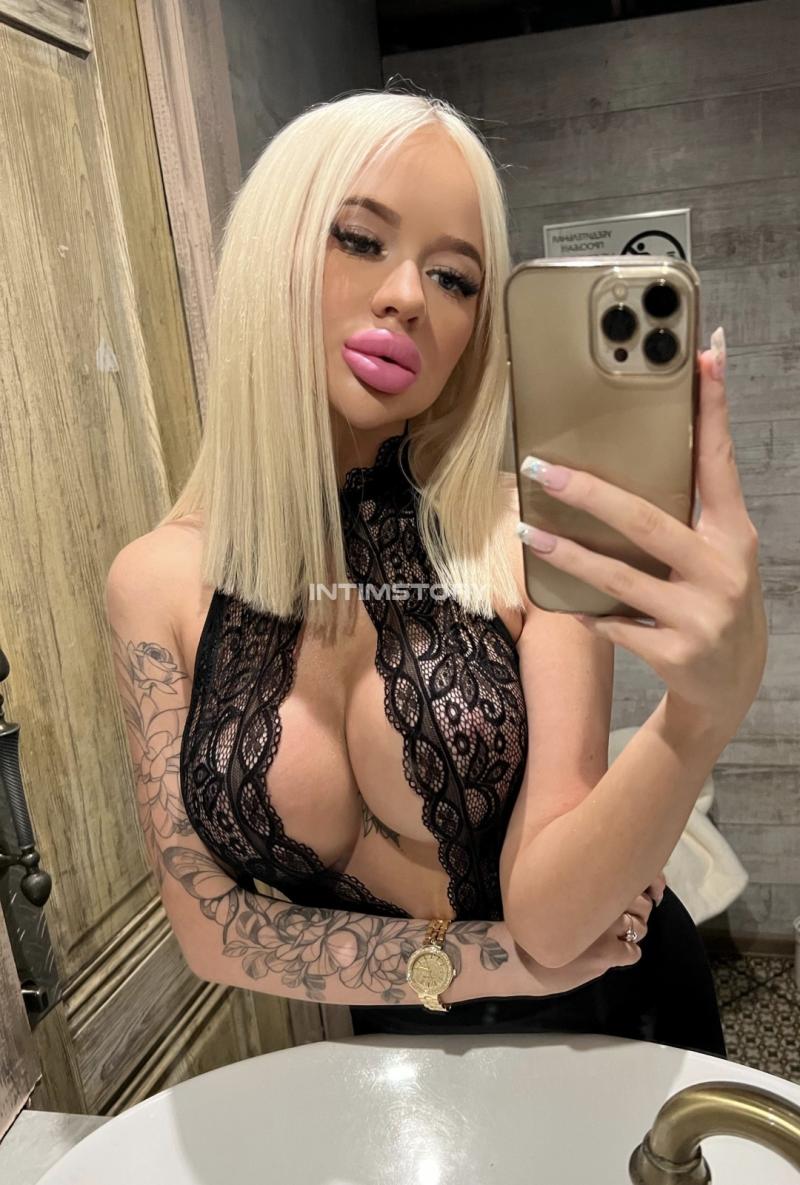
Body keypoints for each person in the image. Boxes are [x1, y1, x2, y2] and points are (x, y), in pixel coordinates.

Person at [105, 88, 767, 1056]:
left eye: (455, 278)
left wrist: (697, 717)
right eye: (359, 239)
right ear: (271, 251)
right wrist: (488, 963)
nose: (409, 296)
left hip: (610, 1020)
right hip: (391, 1046)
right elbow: (209, 929)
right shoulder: (152, 583)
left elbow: (556, 921)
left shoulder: (527, 531)